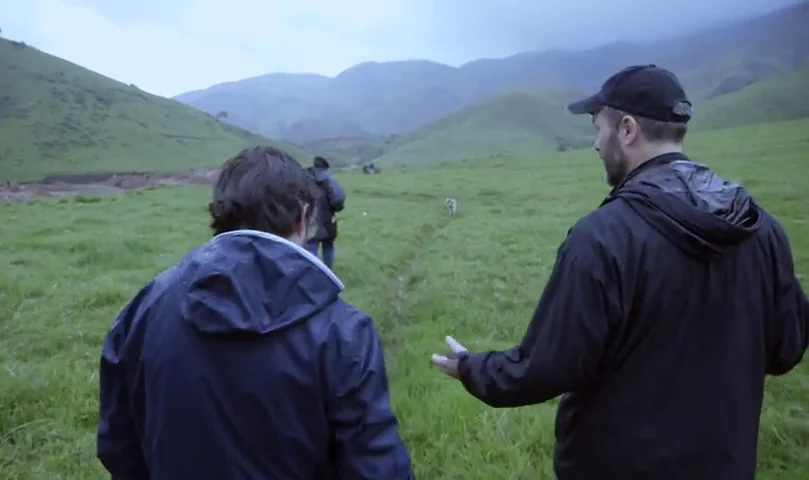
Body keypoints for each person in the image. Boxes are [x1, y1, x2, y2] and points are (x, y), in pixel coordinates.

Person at [431, 65, 809, 479]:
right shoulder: (760, 228)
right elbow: (786, 348)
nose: (596, 143)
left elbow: (546, 368)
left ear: (627, 130)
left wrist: (473, 368)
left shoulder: (601, 237)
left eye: (599, 128)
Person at [97, 145, 413, 479]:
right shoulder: (344, 333)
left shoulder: (143, 309)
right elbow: (377, 468)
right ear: (304, 216)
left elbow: (118, 446)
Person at [305, 155, 346, 269]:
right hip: (328, 220)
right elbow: (338, 199)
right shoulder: (329, 179)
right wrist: (335, 208)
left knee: (311, 247)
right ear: (325, 166)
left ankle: (312, 274)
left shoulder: (305, 178)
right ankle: (328, 273)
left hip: (310, 220)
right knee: (328, 246)